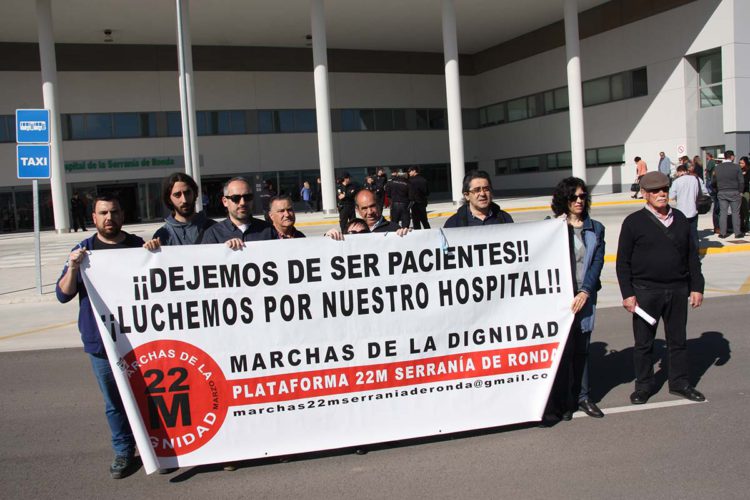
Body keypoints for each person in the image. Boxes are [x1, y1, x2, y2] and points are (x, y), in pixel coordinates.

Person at [56, 194, 157, 479]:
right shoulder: (83, 249)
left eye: (113, 212)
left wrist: (154, 253)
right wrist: (74, 266)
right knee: (114, 402)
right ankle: (124, 450)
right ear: (94, 218)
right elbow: (63, 295)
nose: (109, 218)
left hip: (137, 341)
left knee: (147, 396)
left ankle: (154, 447)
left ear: (122, 215)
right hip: (101, 344)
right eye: (103, 213)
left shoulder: (137, 246)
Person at [616, 171, 706, 405]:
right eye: (655, 191)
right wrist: (628, 294)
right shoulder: (633, 222)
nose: (661, 194)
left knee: (678, 340)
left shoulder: (681, 219)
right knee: (644, 343)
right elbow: (622, 262)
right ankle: (644, 386)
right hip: (646, 291)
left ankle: (680, 382)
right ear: (645, 194)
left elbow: (692, 257)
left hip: (677, 289)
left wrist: (697, 286)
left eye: (664, 189)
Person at [545, 177, 606, 422]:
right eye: (573, 197)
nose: (579, 201)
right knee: (562, 352)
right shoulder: (553, 226)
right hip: (560, 299)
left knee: (582, 350)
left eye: (582, 196)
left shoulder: (596, 228)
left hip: (585, 296)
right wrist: (555, 228)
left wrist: (585, 291)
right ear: (564, 200)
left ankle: (583, 397)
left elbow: (597, 263)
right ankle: (562, 402)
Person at [202, 177, 272, 249]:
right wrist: (223, 250)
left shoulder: (269, 230)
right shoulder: (213, 234)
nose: (242, 203)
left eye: (247, 197)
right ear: (225, 201)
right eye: (236, 198)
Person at [152, 172, 216, 245]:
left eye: (187, 193)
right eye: (177, 195)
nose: (184, 200)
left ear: (195, 194)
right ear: (169, 199)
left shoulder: (215, 229)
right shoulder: (162, 235)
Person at [324, 189, 409, 239]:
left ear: (379, 205)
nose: (369, 212)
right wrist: (328, 238)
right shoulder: (352, 229)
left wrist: (407, 236)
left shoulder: (394, 229)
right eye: (364, 208)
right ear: (357, 210)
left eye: (372, 206)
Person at [443, 170, 513, 227]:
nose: (482, 194)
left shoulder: (505, 219)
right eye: (477, 190)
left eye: (486, 189)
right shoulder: (453, 224)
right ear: (466, 195)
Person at [669, 164, 708, 247]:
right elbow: (703, 191)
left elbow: (671, 196)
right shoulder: (695, 179)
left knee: (682, 233)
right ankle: (695, 253)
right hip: (694, 209)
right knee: (694, 232)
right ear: (687, 171)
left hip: (681, 211)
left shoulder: (676, 182)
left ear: (679, 172)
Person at [714, 150, 744, 238]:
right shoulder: (737, 167)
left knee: (723, 213)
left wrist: (717, 189)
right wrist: (741, 191)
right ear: (731, 157)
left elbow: (713, 181)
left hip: (722, 191)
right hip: (734, 191)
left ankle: (723, 233)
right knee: (735, 213)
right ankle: (737, 233)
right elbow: (741, 181)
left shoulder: (718, 167)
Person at [704, 152, 720, 233]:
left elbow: (709, 169)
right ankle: (718, 227)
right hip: (717, 190)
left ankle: (718, 227)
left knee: (717, 209)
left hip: (716, 189)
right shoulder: (712, 163)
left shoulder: (711, 162)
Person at [738, 156, 749, 234]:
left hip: (746, 192)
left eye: (742, 163)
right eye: (740, 163)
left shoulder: (748, 171)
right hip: (738, 192)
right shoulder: (739, 170)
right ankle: (742, 225)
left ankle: (746, 225)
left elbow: (746, 182)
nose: (740, 164)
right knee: (740, 210)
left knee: (745, 209)